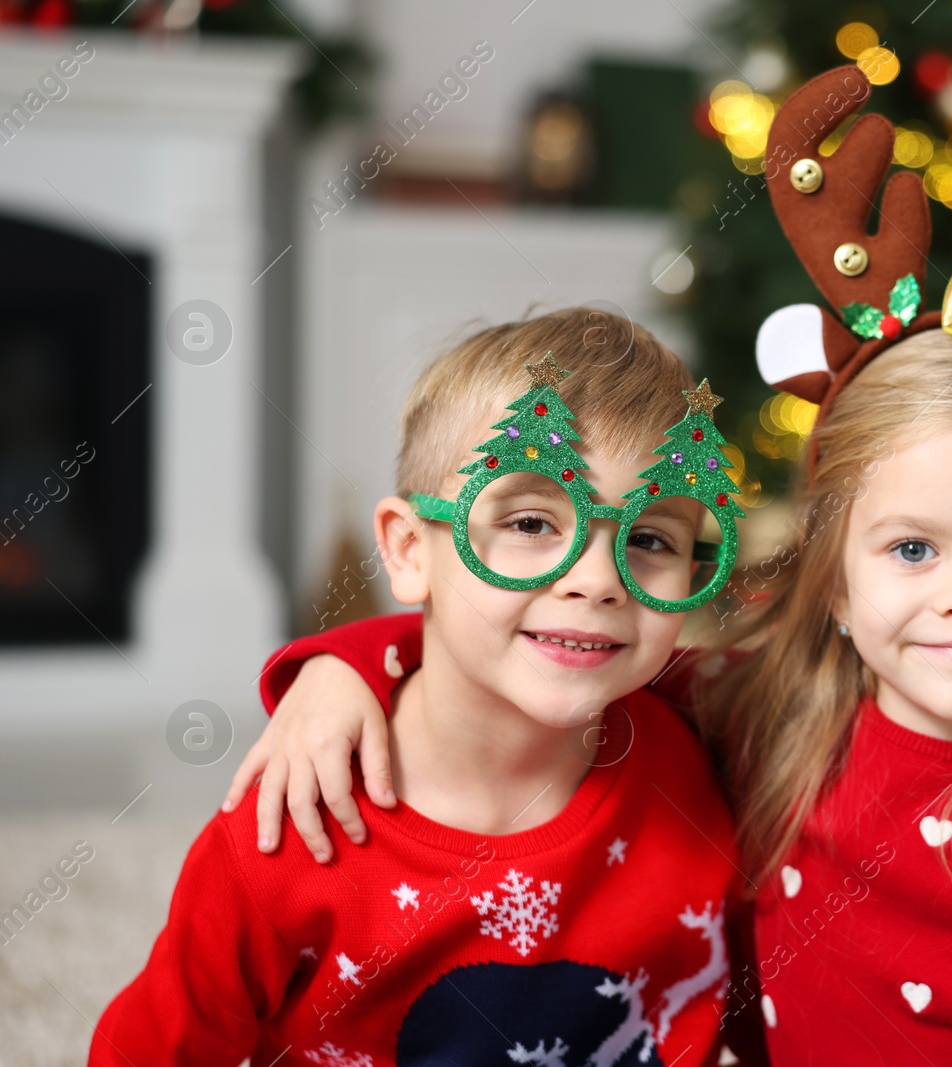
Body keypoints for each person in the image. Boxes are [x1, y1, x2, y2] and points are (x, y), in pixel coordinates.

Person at [226, 66, 952, 1066]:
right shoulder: (759, 719)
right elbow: (554, 649)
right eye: (909, 547)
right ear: (834, 576)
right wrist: (345, 668)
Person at [94, 310, 756, 1067]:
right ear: (409, 550)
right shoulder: (293, 820)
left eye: (650, 539)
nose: (600, 581)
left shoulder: (702, 750)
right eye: (534, 521)